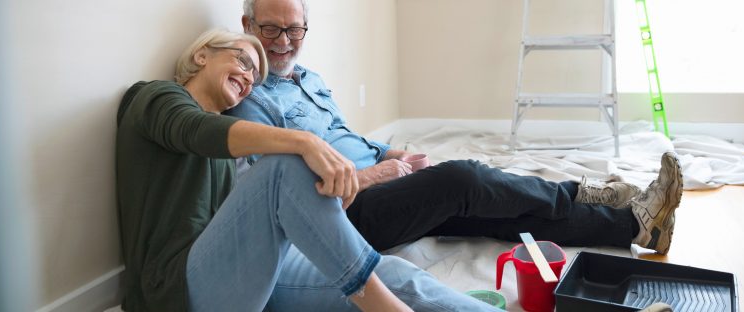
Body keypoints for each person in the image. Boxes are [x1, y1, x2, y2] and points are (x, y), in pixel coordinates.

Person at [225, 0, 684, 255]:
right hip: (348, 215)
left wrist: (390, 155)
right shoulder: (249, 104)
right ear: (247, 24)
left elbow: (347, 137)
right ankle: (579, 192)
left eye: (295, 30)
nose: (284, 42)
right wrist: (372, 177)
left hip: (386, 186)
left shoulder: (310, 80)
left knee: (493, 207)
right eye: (270, 30)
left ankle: (635, 226)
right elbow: (283, 194)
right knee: (463, 177)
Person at [116, 29, 501, 312]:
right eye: (243, 61)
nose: (249, 77)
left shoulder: (228, 149)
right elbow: (193, 130)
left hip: (239, 277)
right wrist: (305, 142)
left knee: (395, 274)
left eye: (255, 77)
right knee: (283, 162)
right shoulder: (153, 97)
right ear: (202, 56)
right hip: (173, 292)